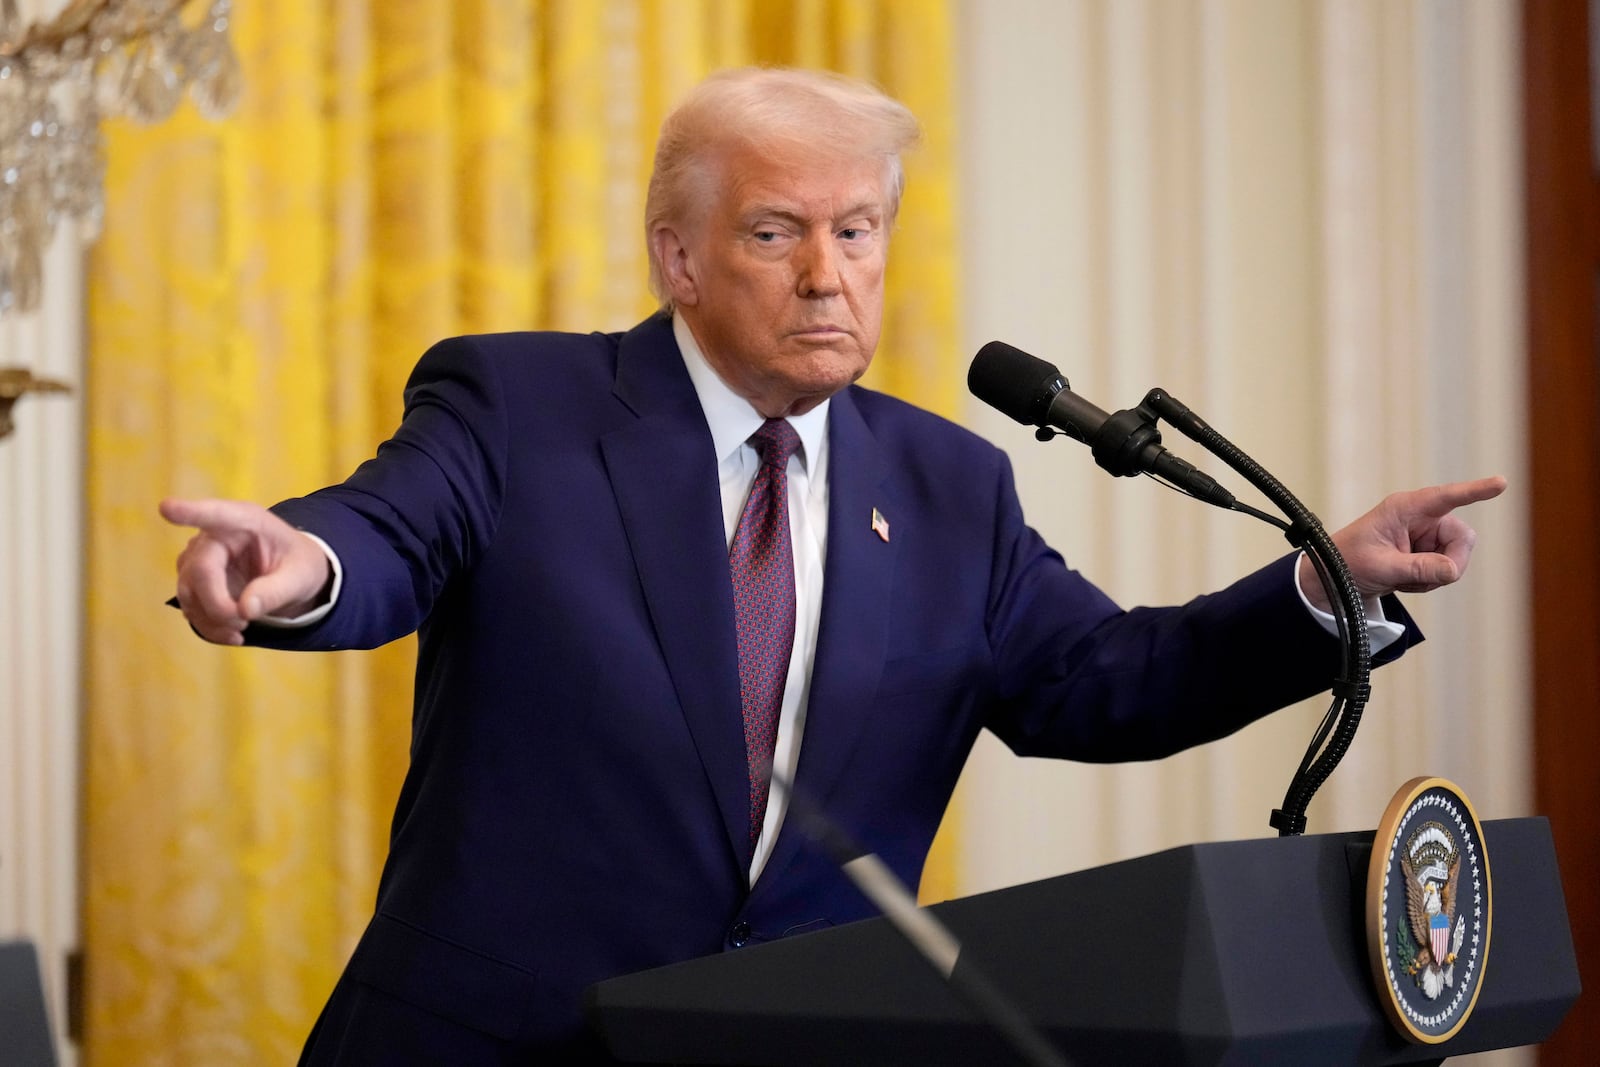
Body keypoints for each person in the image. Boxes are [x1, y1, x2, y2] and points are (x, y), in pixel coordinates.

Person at [162, 68, 1504, 1063]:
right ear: (677, 257)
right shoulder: (524, 407)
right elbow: (387, 534)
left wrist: (1329, 586)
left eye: (857, 231)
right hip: (492, 1042)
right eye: (774, 232)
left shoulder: (945, 484)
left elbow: (1108, 684)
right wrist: (299, 569)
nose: (827, 276)